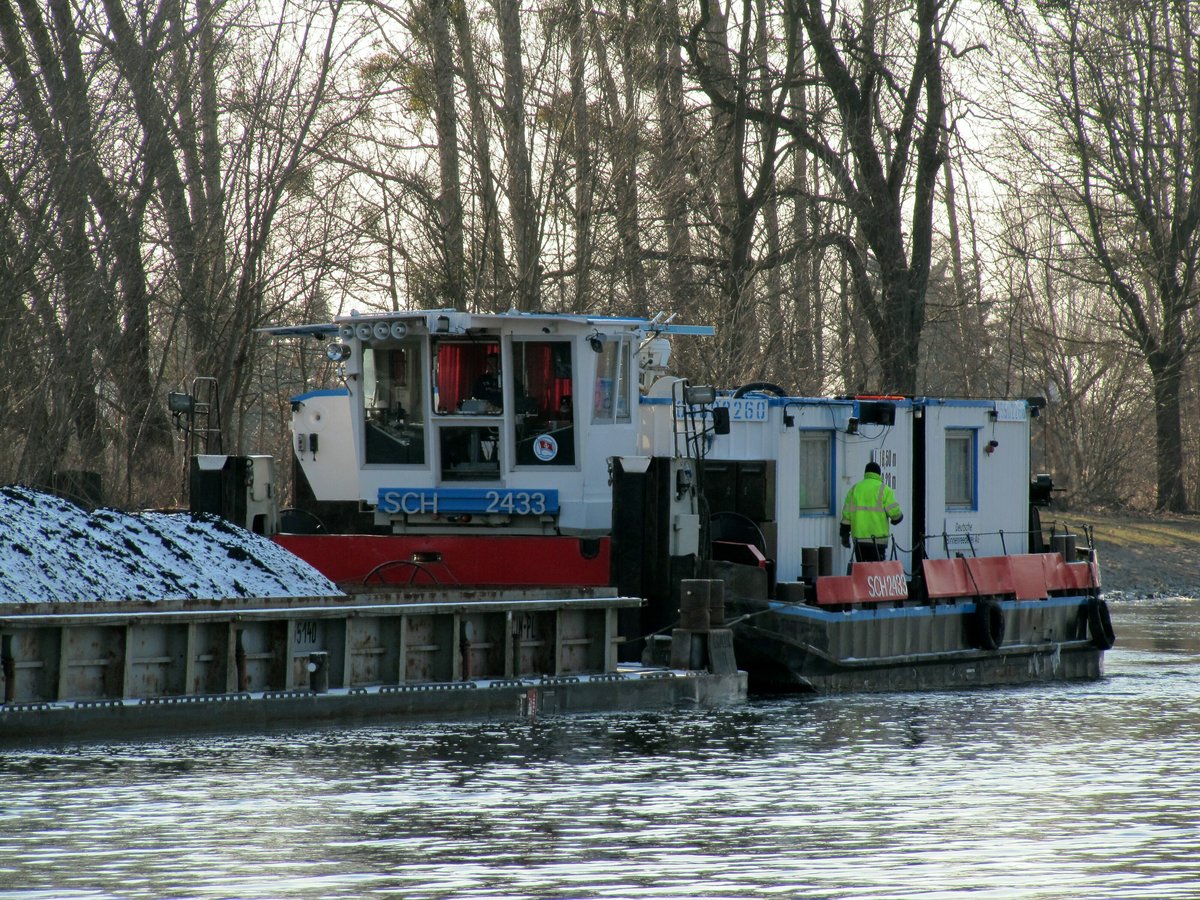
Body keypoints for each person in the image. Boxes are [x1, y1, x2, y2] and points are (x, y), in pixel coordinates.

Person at [840, 461, 903, 562]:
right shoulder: (884, 489)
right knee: (876, 573)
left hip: (859, 540)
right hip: (878, 541)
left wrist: (844, 534)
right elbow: (895, 515)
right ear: (879, 474)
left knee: (862, 571)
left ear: (865, 473)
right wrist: (897, 518)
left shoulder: (854, 489)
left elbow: (846, 517)